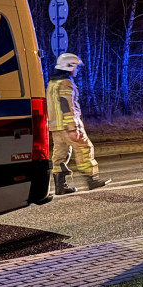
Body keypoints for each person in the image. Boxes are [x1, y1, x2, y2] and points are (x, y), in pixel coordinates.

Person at [46, 53, 111, 195]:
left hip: (56, 126)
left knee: (60, 154)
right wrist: (72, 128)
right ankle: (91, 179)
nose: (77, 70)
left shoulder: (52, 83)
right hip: (67, 125)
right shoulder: (65, 83)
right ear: (70, 67)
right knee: (85, 148)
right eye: (76, 67)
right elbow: (66, 105)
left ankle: (60, 186)